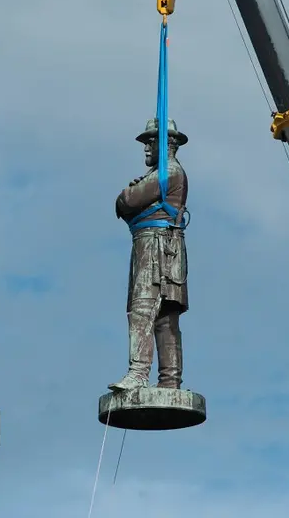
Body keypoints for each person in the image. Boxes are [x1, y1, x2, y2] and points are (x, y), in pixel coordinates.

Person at [110, 117, 190, 391]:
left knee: (144, 310)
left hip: (156, 248)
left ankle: (138, 374)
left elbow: (128, 201)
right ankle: (170, 381)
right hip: (161, 247)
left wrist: (126, 195)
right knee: (164, 318)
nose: (145, 147)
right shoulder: (162, 175)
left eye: (150, 141)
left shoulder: (168, 173)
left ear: (167, 144)